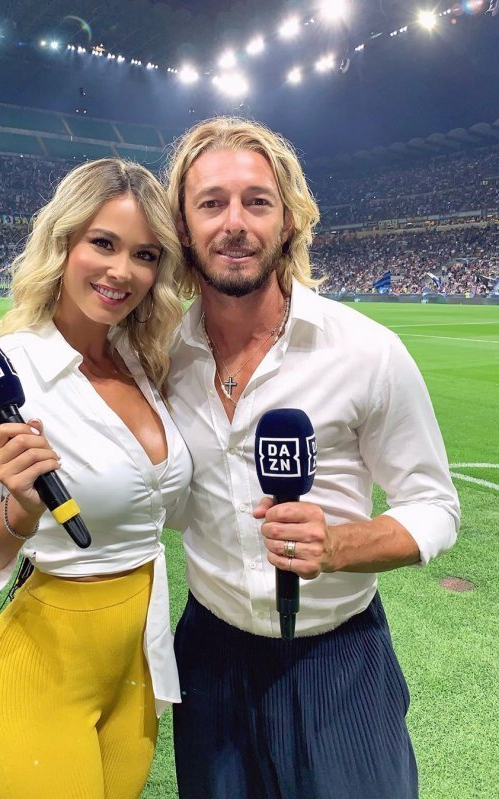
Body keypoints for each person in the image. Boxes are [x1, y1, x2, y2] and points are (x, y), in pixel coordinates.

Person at [163, 117, 460, 799]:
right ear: (183, 226)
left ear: (289, 219)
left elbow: (436, 506)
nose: (234, 223)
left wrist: (340, 544)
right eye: (211, 203)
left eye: (257, 202)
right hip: (208, 655)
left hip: (339, 655)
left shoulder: (365, 350)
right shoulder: (161, 355)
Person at [0, 158, 192, 799]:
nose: (121, 270)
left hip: (136, 670)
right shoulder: (2, 372)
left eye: (145, 254)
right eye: (103, 243)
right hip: (36, 678)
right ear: (63, 242)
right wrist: (20, 511)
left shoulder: (146, 362)